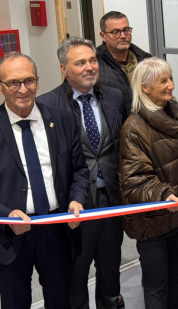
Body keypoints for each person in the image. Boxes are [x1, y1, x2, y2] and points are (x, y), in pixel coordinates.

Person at [0, 52, 89, 308]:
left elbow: (80, 170)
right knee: (15, 302)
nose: (23, 89)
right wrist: (6, 215)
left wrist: (76, 199)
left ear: (38, 81)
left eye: (29, 81)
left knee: (61, 300)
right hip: (9, 234)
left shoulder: (61, 120)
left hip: (56, 227)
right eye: (13, 83)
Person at [38, 37, 126, 309]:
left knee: (111, 269)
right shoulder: (47, 105)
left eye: (92, 60)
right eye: (80, 63)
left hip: (111, 198)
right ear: (64, 69)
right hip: (74, 204)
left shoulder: (114, 95)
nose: (90, 67)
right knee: (76, 273)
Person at [119, 57, 178, 308]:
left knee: (173, 279)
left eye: (171, 78)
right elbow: (134, 180)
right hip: (153, 222)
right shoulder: (133, 128)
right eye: (163, 81)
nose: (171, 86)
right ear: (145, 87)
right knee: (156, 286)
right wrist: (165, 196)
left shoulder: (175, 112)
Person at [97, 11, 151, 114]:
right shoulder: (94, 65)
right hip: (115, 126)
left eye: (126, 30)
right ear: (103, 35)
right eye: (115, 32)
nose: (123, 36)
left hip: (145, 123)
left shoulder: (145, 60)